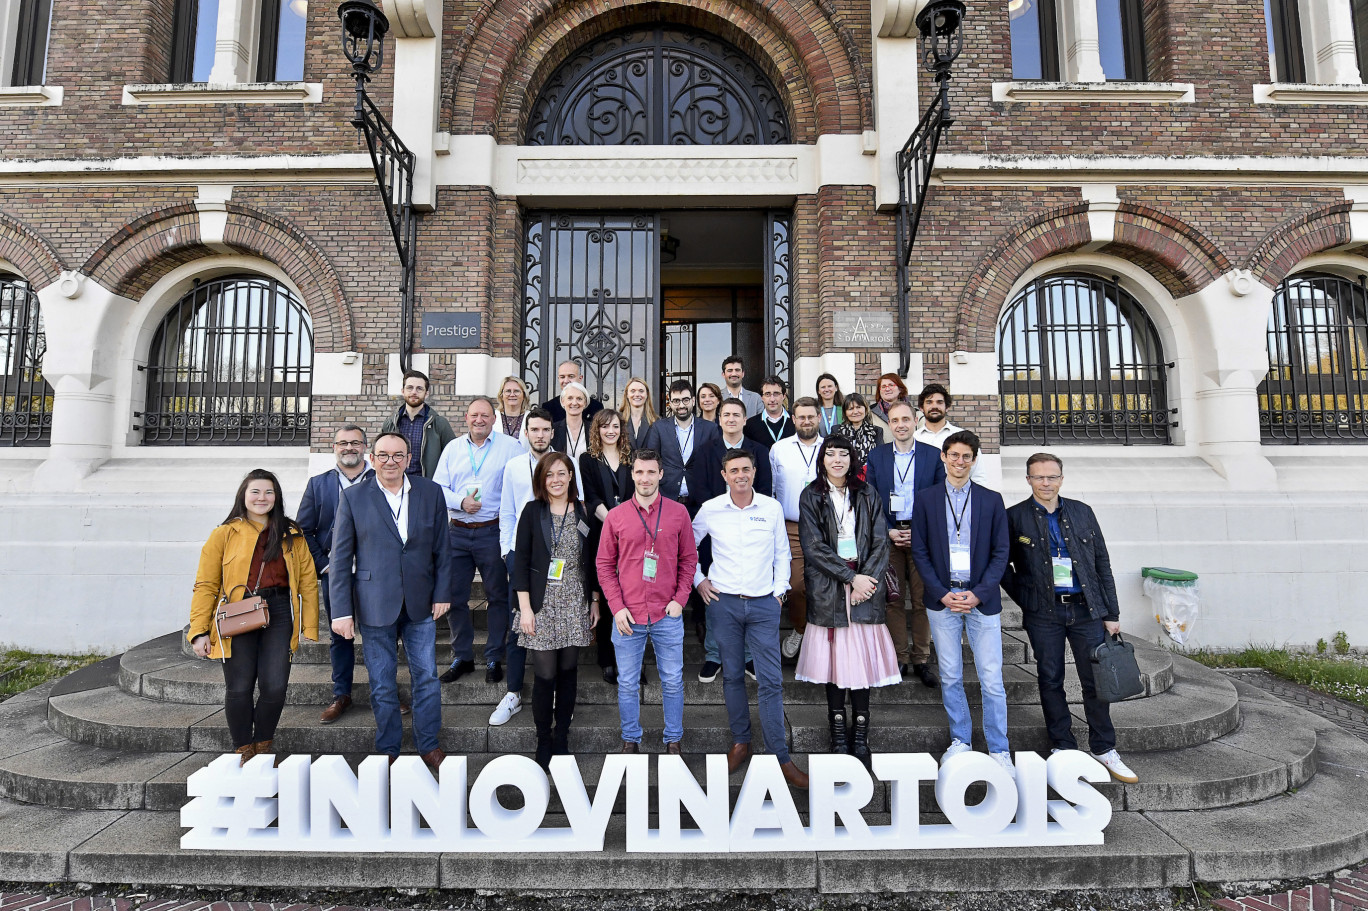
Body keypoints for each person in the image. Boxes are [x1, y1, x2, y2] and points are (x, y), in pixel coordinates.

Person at [1003, 453, 1139, 784]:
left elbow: (1101, 563)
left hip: (1085, 610)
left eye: (1052, 477)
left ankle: (1104, 747)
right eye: (1039, 477)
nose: (1046, 483)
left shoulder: (1082, 512)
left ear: (1061, 479)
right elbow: (1003, 567)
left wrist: (1111, 613)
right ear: (1028, 480)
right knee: (1050, 679)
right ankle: (1062, 746)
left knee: (1096, 681)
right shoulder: (1015, 517)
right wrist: (1028, 598)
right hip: (1044, 613)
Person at [329, 433, 452, 771]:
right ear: (372, 458)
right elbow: (340, 559)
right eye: (383, 455)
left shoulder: (430, 492)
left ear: (409, 458)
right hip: (373, 602)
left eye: (398, 455)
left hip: (420, 602)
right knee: (382, 681)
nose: (390, 461)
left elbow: (443, 548)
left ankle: (428, 743)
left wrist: (443, 592)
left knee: (426, 676)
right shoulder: (353, 497)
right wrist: (341, 611)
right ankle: (388, 746)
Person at [694, 448, 808, 789]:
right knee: (731, 677)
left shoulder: (771, 508)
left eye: (746, 469)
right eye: (734, 470)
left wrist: (779, 590)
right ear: (724, 475)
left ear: (754, 472)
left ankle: (781, 755)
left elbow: (782, 553)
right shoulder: (711, 509)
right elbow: (685, 547)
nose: (740, 475)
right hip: (724, 604)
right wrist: (698, 581)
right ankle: (741, 742)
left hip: (763, 606)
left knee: (771, 681)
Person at [189, 469, 320, 765]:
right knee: (239, 687)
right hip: (238, 612)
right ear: (243, 496)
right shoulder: (224, 533)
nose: (262, 498)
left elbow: (308, 580)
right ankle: (243, 748)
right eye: (256, 492)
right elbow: (206, 584)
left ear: (277, 497)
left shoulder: (291, 533)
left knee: (275, 686)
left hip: (279, 611)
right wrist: (199, 630)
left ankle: (263, 745)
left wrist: (309, 625)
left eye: (269, 492)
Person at [909, 431, 1012, 773]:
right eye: (953, 455)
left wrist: (978, 593)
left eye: (966, 456)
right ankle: (961, 740)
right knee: (951, 675)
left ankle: (999, 747)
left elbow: (1001, 553)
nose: (959, 462)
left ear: (974, 459)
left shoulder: (991, 499)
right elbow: (920, 552)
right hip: (943, 600)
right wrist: (941, 592)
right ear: (943, 457)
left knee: (991, 678)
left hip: (980, 599)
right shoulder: (925, 499)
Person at [795, 436, 898, 770]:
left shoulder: (867, 493)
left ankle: (861, 733)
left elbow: (881, 542)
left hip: (865, 588)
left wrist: (864, 581)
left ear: (852, 459)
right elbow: (812, 546)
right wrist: (848, 578)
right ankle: (838, 732)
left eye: (843, 453)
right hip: (830, 588)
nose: (836, 459)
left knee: (862, 667)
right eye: (830, 453)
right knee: (834, 666)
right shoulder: (811, 495)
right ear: (822, 459)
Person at [597, 450, 698, 754]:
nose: (645, 478)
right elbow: (604, 565)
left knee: (672, 681)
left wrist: (681, 599)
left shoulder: (678, 514)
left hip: (667, 612)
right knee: (627, 683)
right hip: (628, 614)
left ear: (660, 475)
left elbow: (689, 559)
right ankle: (631, 739)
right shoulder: (616, 516)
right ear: (633, 475)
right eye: (639, 472)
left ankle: (673, 740)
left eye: (651, 472)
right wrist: (616, 607)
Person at [512, 453, 598, 769]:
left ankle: (562, 736)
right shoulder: (533, 511)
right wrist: (525, 609)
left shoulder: (584, 512)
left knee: (567, 673)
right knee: (545, 674)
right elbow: (520, 562)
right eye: (550, 475)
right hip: (541, 603)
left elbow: (592, 559)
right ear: (541, 479)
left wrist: (595, 601)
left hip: (575, 600)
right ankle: (543, 738)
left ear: (571, 476)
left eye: (562, 473)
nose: (556, 480)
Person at [433, 396, 525, 684]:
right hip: (457, 531)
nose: (480, 420)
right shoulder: (452, 449)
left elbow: (519, 486)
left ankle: (494, 656)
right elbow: (438, 487)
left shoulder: (511, 448)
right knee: (455, 596)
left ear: (494, 419)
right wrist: (460, 501)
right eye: (475, 415)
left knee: (498, 597)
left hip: (492, 531)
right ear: (466, 417)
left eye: (485, 415)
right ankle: (463, 656)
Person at [297, 424, 374, 724]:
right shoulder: (318, 484)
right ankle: (340, 694)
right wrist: (324, 564)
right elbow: (303, 530)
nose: (349, 448)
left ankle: (387, 692)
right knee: (340, 636)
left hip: (374, 573)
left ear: (365, 447)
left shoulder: (380, 479)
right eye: (343, 443)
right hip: (336, 574)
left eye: (355, 442)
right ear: (334, 448)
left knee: (380, 635)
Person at [865, 401, 945, 685]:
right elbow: (870, 500)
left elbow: (939, 500)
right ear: (889, 423)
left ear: (915, 421)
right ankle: (899, 657)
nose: (900, 424)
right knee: (893, 599)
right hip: (889, 538)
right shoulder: (877, 457)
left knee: (924, 600)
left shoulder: (934, 456)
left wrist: (920, 532)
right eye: (894, 420)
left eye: (905, 419)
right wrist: (886, 530)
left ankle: (921, 659)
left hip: (922, 538)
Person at [488, 407, 557, 726]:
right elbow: (507, 513)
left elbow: (576, 506)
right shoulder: (514, 466)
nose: (540, 435)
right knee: (518, 625)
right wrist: (506, 553)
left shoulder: (564, 466)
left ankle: (551, 689)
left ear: (552, 433)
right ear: (525, 433)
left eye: (545, 429)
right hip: (520, 555)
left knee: (554, 623)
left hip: (557, 558)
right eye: (535, 430)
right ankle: (514, 693)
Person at [696, 397, 763, 682]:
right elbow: (699, 487)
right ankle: (714, 655)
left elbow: (766, 489)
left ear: (745, 419)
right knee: (716, 594)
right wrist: (719, 513)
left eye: (737, 414)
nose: (731, 419)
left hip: (751, 529)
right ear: (719, 419)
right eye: (726, 415)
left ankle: (747, 656)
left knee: (746, 593)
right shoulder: (704, 451)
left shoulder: (759, 451)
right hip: (716, 530)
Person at [580, 408, 634, 685]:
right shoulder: (587, 460)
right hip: (601, 532)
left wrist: (627, 524)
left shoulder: (631, 456)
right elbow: (590, 496)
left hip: (631, 535)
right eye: (605, 426)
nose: (610, 431)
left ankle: (630, 660)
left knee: (629, 594)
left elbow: (639, 492)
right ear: (597, 430)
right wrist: (615, 521)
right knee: (603, 592)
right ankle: (606, 660)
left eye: (615, 426)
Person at [769, 397, 822, 659]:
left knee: (826, 585)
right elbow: (771, 490)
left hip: (826, 529)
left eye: (811, 416)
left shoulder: (831, 448)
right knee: (796, 585)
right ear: (793, 419)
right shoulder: (779, 449)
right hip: (791, 526)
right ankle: (800, 629)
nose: (806, 421)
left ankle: (822, 637)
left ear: (819, 418)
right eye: (801, 417)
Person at [644, 380, 722, 514]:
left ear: (693, 400)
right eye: (676, 401)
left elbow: (716, 465)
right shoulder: (659, 427)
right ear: (670, 403)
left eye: (685, 400)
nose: (681, 405)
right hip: (666, 500)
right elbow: (651, 462)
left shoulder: (710, 429)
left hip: (701, 503)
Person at [380, 369, 456, 479]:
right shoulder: (390, 424)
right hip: (395, 483)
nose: (414, 392)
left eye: (419, 388)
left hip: (426, 486)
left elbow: (453, 457)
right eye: (410, 388)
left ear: (426, 394)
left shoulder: (439, 424)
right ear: (403, 391)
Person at [914, 383, 989, 485]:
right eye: (929, 402)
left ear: (947, 407)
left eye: (939, 402)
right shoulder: (914, 439)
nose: (934, 406)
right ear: (921, 408)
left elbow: (978, 476)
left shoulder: (962, 437)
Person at [744, 375, 795, 450]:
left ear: (784, 396)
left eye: (776, 394)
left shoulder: (795, 421)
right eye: (767, 394)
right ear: (762, 397)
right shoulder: (750, 425)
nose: (772, 399)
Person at [831, 392, 884, 463]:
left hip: (869, 472)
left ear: (865, 409)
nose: (855, 412)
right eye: (850, 409)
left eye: (858, 407)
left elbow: (880, 457)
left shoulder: (876, 431)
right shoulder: (836, 430)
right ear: (845, 412)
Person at [552, 382, 591, 464]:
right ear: (563, 402)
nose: (574, 403)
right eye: (570, 398)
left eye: (579, 399)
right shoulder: (553, 430)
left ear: (585, 403)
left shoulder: (594, 429)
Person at [618, 376, 658, 450]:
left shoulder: (657, 421)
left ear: (647, 395)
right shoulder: (617, 420)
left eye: (641, 391)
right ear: (627, 395)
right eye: (632, 391)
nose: (637, 394)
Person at [492, 375, 532, 447]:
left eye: (516, 391)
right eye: (508, 391)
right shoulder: (492, 417)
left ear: (524, 395)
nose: (512, 394)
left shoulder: (531, 417)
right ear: (501, 395)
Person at [815, 373, 844, 438]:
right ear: (818, 391)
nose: (827, 389)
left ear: (836, 388)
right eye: (823, 387)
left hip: (839, 446)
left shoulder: (844, 409)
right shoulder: (814, 410)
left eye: (829, 386)